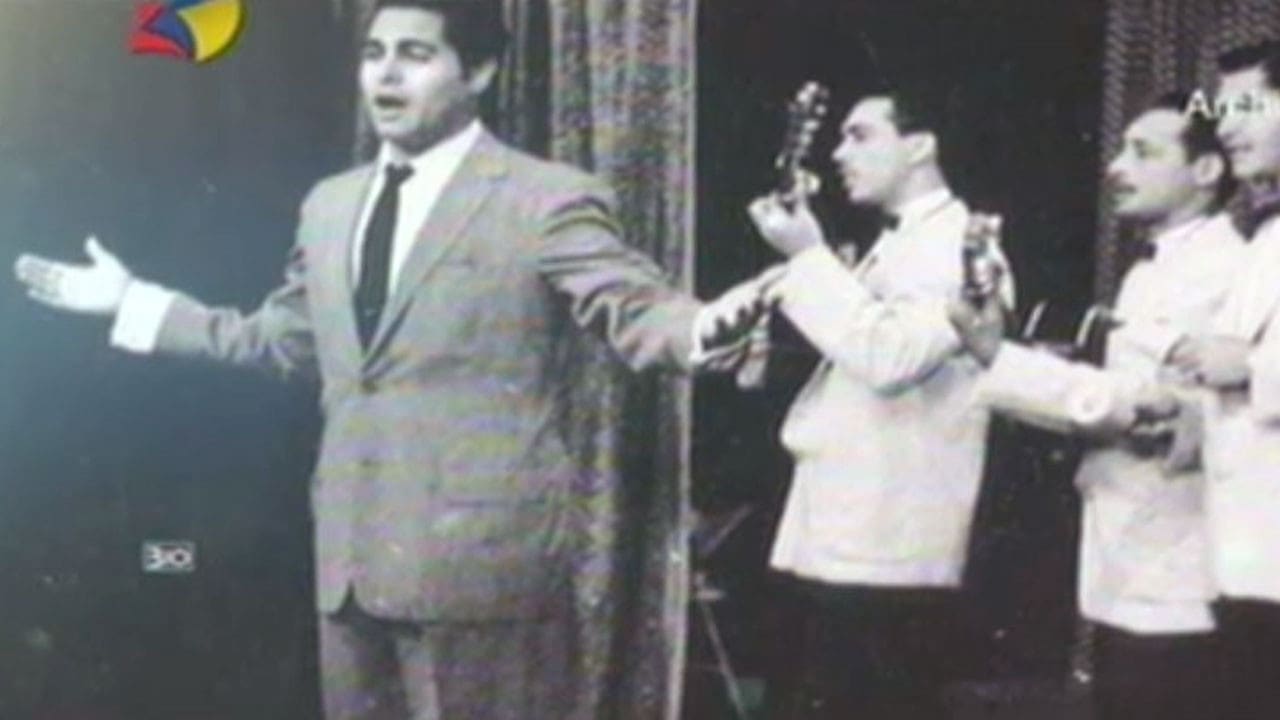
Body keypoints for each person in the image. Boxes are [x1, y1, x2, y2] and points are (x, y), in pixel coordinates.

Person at [12, 2, 773, 718]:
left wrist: (703, 327)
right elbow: (282, 341)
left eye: (415, 54)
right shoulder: (329, 205)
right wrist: (134, 302)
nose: (386, 74)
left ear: (479, 72)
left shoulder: (544, 199)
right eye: (374, 54)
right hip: (352, 564)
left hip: (481, 570)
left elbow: (632, 304)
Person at [948, 93, 1244, 720]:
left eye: (1143, 152)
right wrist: (1006, 358)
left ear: (1206, 170)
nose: (1115, 167)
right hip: (1130, 563)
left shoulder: (1227, 270)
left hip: (1180, 574)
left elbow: (1154, 413)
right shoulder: (1154, 269)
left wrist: (1001, 359)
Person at [743, 83, 1014, 720]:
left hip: (889, 546)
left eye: (860, 135)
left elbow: (888, 358)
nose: (839, 153)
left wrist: (808, 255)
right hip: (844, 534)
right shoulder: (898, 243)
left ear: (920, 146)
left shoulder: (961, 246)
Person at [1162, 39, 1280, 720]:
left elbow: (1248, 363)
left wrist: (1252, 368)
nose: (1227, 126)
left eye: (1247, 107)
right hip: (1247, 556)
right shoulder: (1264, 237)